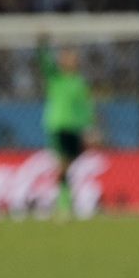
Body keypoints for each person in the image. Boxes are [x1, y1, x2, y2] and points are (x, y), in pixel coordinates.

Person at [37, 37, 94, 220]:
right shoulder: (56, 79)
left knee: (67, 167)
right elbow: (45, 62)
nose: (71, 60)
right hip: (59, 127)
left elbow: (85, 107)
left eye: (73, 58)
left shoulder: (79, 82)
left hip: (75, 129)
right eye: (68, 57)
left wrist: (89, 127)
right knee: (63, 166)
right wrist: (43, 44)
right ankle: (63, 205)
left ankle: (65, 203)